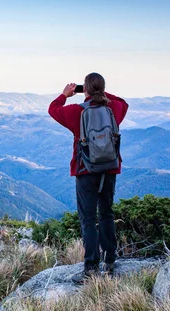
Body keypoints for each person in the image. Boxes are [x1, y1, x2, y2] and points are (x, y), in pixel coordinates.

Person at [48, 72, 129, 284]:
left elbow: (53, 109)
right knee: (107, 214)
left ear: (85, 89)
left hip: (85, 171)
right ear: (102, 88)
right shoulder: (114, 108)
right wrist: (96, 91)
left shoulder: (77, 111)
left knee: (88, 220)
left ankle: (91, 268)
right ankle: (110, 261)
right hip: (109, 169)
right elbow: (123, 102)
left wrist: (66, 94)